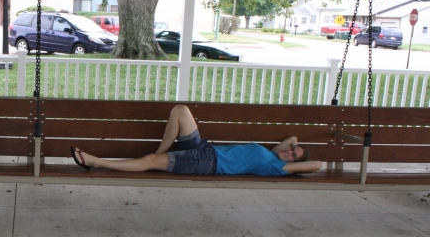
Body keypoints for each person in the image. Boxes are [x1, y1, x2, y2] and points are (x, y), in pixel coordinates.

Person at [71, 104, 322, 176]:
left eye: (293, 156)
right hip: (204, 150)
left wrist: (298, 161)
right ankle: (159, 156)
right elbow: (293, 137)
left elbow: (317, 165)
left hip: (206, 164)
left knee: (149, 160)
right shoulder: (274, 155)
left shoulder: (278, 167)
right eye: (292, 150)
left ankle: (98, 162)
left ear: (293, 166)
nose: (289, 152)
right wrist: (294, 146)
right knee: (180, 111)